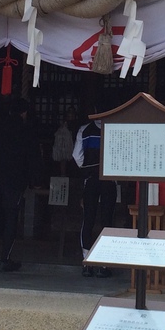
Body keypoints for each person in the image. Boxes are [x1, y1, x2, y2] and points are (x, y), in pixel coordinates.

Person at [0, 96, 36, 272]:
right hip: (14, 180)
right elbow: (31, 158)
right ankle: (5, 258)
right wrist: (33, 180)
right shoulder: (25, 130)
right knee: (11, 217)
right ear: (24, 112)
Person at [74, 102, 117, 277]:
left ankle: (86, 261)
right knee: (107, 219)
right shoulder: (115, 129)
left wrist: (87, 168)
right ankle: (104, 264)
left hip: (90, 178)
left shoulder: (85, 130)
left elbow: (77, 156)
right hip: (109, 180)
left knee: (88, 218)